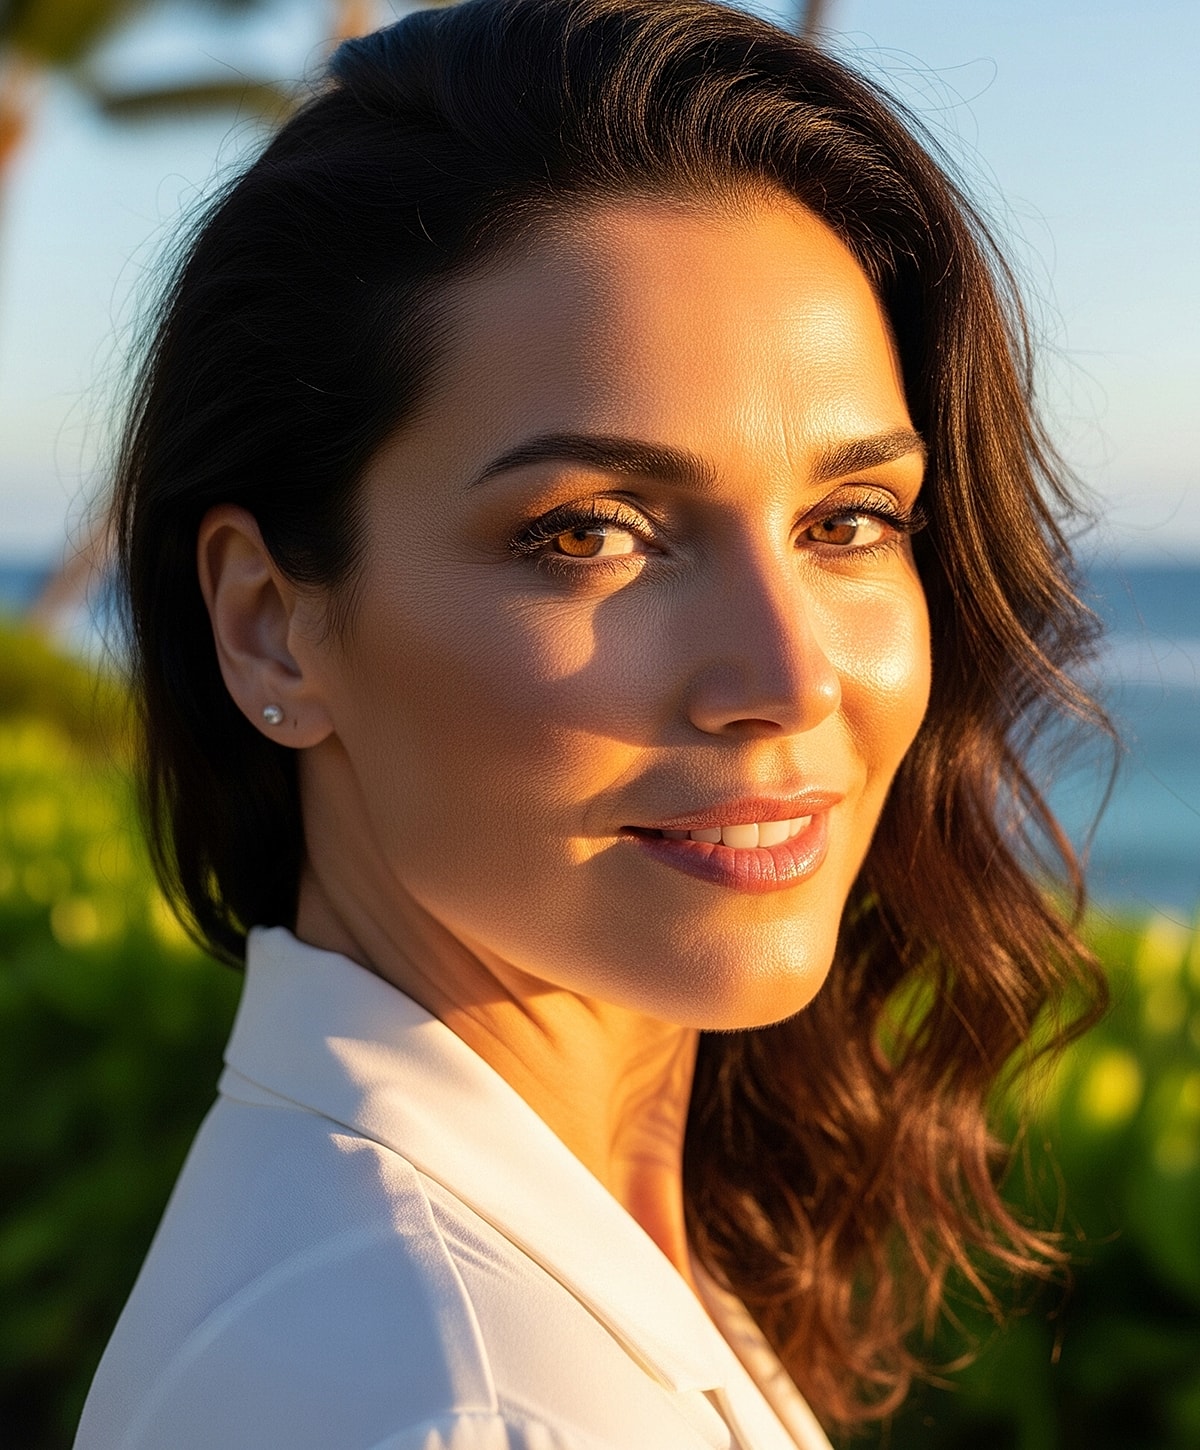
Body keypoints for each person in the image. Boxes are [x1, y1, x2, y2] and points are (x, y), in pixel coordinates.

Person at [73, 0, 1108, 1445]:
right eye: (588, 535)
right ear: (268, 619)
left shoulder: (515, 1279)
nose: (789, 674)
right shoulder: (444, 1399)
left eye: (850, 518)